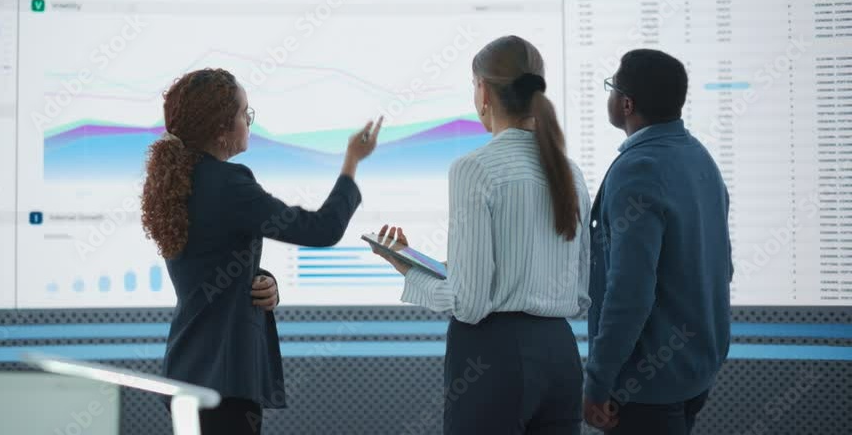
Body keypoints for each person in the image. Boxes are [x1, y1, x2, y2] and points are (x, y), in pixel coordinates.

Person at [369, 36, 591, 434]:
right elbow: (579, 291)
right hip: (561, 354)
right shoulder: (571, 172)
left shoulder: (475, 169)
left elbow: (468, 304)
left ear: (484, 92)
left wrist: (409, 269)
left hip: (493, 359)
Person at [140, 68, 382, 434]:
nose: (248, 122)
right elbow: (322, 229)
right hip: (223, 379)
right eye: (243, 113)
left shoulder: (182, 178)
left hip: (190, 370)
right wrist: (352, 163)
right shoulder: (229, 183)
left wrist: (260, 279)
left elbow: (207, 263)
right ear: (222, 127)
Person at [583, 49, 732, 434]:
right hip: (695, 371)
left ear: (627, 104)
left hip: (646, 386)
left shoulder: (638, 169)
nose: (610, 96)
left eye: (612, 88)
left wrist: (597, 381)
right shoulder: (700, 158)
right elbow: (722, 267)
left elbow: (629, 293)